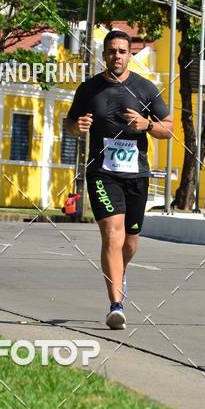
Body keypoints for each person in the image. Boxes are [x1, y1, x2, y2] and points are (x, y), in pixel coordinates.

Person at [65, 28, 173, 329]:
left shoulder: (146, 89)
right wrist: (78, 126)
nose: (116, 56)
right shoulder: (88, 89)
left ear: (129, 55)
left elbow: (169, 128)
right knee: (112, 234)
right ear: (104, 55)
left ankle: (119, 273)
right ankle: (116, 304)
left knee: (130, 243)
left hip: (136, 174)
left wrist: (146, 124)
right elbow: (70, 124)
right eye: (111, 51)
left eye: (122, 51)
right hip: (102, 172)